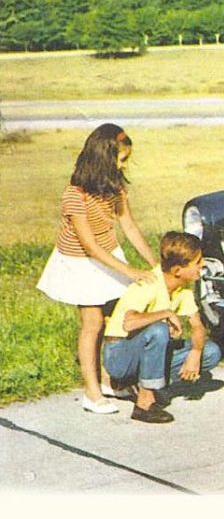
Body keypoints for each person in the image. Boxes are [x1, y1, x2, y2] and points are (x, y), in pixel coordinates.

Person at [36, 124, 158, 415]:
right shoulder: (74, 195)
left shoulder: (114, 187)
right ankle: (91, 393)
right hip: (81, 263)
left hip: (107, 255)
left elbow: (128, 224)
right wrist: (129, 272)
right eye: (121, 159)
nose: (124, 165)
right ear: (103, 158)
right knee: (92, 324)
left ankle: (107, 379)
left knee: (113, 317)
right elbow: (89, 246)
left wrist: (153, 262)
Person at [102, 231, 222, 424]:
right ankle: (144, 404)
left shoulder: (183, 289)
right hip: (120, 356)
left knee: (211, 352)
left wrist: (196, 353)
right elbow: (129, 322)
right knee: (158, 330)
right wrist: (165, 313)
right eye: (198, 262)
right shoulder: (149, 283)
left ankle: (145, 386)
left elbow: (197, 326)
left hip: (144, 351)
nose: (202, 266)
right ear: (177, 270)